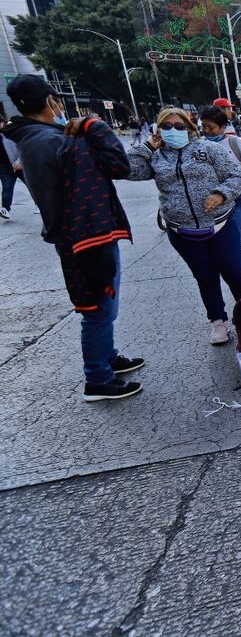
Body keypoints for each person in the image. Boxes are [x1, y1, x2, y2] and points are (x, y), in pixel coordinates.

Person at [3, 74, 143, 400]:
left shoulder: (32, 137)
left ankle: (107, 358)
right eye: (57, 100)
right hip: (86, 236)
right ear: (50, 101)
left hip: (75, 234)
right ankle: (98, 378)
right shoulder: (53, 141)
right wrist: (95, 126)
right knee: (97, 309)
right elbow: (117, 165)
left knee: (101, 305)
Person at [127, 107, 241, 344]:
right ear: (157, 129)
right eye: (166, 126)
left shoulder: (209, 149)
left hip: (220, 225)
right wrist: (146, 147)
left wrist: (220, 194)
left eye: (179, 126)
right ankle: (218, 322)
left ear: (190, 128)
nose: (173, 131)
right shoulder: (156, 157)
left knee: (235, 273)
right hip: (182, 230)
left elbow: (236, 177)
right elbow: (125, 168)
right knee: (205, 276)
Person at [200, 106, 241, 285]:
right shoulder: (200, 145)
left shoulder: (235, 143)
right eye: (203, 127)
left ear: (222, 127)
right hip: (216, 199)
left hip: (239, 195)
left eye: (211, 127)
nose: (206, 131)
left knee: (240, 238)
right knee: (226, 239)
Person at [0, 117, 21, 219]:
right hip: (4, 166)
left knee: (32, 186)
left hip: (19, 164)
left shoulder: (12, 131)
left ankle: (39, 204)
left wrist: (19, 161)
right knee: (7, 187)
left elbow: (23, 146)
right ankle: (5, 209)